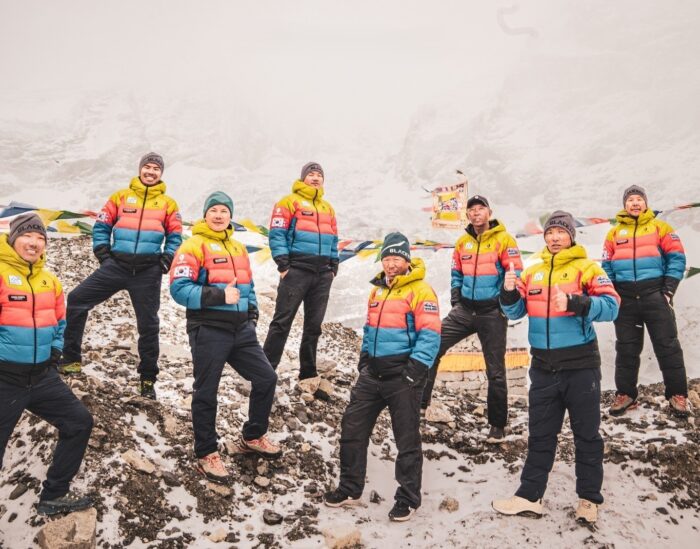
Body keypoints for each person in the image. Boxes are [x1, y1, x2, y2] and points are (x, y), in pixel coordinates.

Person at [492, 211, 620, 525]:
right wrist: (508, 291)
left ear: (571, 236)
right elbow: (515, 311)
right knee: (541, 435)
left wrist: (578, 303)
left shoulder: (587, 267)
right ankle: (529, 496)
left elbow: (613, 306)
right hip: (543, 366)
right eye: (550, 232)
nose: (554, 237)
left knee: (586, 435)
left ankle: (589, 500)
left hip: (580, 365)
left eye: (561, 231)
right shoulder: (532, 269)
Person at [324, 233, 441, 522]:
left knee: (406, 439)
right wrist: (364, 361)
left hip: (403, 376)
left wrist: (414, 372)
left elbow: (430, 335)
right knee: (352, 427)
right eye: (387, 258)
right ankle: (350, 488)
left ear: (407, 260)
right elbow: (369, 329)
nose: (391, 264)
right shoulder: (377, 291)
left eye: (396, 258)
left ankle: (408, 498)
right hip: (372, 375)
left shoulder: (421, 291)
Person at [170, 192, 281, 483]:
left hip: (241, 331)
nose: (219, 215)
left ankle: (253, 436)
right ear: (205, 215)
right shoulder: (192, 245)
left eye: (224, 211)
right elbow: (179, 289)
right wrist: (219, 295)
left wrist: (252, 314)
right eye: (214, 210)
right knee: (207, 390)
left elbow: (249, 287)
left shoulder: (238, 248)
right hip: (208, 329)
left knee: (266, 378)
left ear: (231, 215)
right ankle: (206, 452)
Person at [60, 153, 182, 400]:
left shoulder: (168, 204)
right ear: (140, 169)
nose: (151, 171)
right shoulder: (120, 197)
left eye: (155, 168)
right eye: (147, 166)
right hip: (116, 266)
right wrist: (103, 254)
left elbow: (175, 235)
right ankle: (71, 359)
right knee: (76, 300)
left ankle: (147, 379)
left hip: (148, 271)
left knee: (148, 326)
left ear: (161, 174)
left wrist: (165, 261)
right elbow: (102, 225)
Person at [0, 213, 94, 515]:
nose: (35, 242)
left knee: (79, 422)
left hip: (41, 377)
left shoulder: (49, 280)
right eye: (28, 236)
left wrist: (55, 352)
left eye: (41, 238)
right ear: (14, 238)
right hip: (5, 378)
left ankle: (54, 495)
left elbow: (60, 322)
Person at [421, 195, 523, 442]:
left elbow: (514, 272)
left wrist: (502, 303)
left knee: (495, 370)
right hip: (464, 310)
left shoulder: (504, 239)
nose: (476, 213)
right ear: (467, 215)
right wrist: (457, 300)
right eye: (472, 210)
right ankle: (420, 405)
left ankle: (497, 425)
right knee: (432, 346)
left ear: (489, 211)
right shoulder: (462, 243)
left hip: (492, 312)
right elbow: (456, 273)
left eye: (481, 209)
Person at [602, 185, 689, 417]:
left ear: (646, 203)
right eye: (630, 200)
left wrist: (668, 290)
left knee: (667, 346)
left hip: (655, 294)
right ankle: (626, 395)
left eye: (639, 199)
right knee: (626, 348)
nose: (635, 203)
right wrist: (614, 292)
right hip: (626, 299)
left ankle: (678, 395)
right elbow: (606, 266)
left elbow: (677, 258)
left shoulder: (661, 227)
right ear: (624, 205)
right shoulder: (613, 233)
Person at [263, 162, 339, 399]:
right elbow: (277, 233)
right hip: (296, 271)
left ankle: (308, 373)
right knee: (282, 322)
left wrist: (333, 265)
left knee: (313, 327)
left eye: (319, 175)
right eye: (311, 174)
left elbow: (335, 238)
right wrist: (284, 265)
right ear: (303, 178)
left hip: (322, 274)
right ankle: (265, 371)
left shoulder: (328, 208)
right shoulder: (288, 202)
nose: (315, 178)